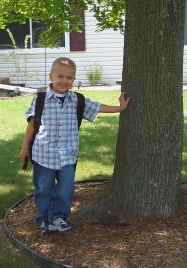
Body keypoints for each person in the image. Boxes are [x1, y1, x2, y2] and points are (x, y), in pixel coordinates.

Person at [19, 57, 130, 234]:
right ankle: (44, 219)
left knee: (66, 187)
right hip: (43, 154)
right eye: (60, 76)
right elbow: (32, 125)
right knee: (44, 188)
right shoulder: (40, 99)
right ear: (51, 77)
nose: (65, 81)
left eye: (69, 77)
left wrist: (120, 108)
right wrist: (25, 148)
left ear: (74, 79)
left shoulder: (77, 101)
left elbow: (98, 107)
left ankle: (59, 217)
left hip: (67, 155)